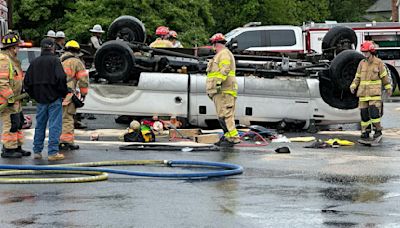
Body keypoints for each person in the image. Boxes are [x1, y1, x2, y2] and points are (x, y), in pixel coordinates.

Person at [24, 38, 68, 161]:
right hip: (54, 99)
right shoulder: (55, 61)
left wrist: (35, 95)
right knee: (55, 125)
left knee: (40, 125)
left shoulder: (35, 62)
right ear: (53, 48)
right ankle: (53, 152)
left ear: (42, 48)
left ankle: (37, 151)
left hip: (40, 99)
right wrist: (62, 93)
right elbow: (61, 78)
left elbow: (27, 82)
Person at [350, 40, 392, 142]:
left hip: (374, 94)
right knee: (364, 115)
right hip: (363, 94)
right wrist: (353, 85)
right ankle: (366, 131)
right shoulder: (362, 63)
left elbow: (384, 77)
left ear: (371, 51)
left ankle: (378, 130)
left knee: (374, 114)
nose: (365, 54)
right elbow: (358, 77)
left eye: (366, 52)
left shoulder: (378, 63)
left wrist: (388, 88)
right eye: (363, 52)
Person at [0, 32, 31, 158]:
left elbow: (16, 79)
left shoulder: (12, 60)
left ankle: (17, 146)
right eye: (18, 46)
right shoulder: (4, 60)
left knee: (18, 122)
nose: (19, 49)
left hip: (15, 99)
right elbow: (2, 82)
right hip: (7, 100)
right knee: (10, 123)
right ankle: (8, 149)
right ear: (12, 48)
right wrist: (9, 96)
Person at [206, 33, 240, 147]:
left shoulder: (224, 54)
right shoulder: (221, 54)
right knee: (222, 115)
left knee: (226, 115)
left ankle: (233, 138)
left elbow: (225, 69)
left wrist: (217, 83)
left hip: (224, 90)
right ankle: (228, 136)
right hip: (221, 91)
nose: (213, 48)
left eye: (213, 45)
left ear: (216, 44)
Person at [59, 40, 89, 151]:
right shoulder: (77, 62)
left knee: (58, 118)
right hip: (68, 94)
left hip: (57, 94)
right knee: (67, 118)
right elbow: (83, 80)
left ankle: (58, 140)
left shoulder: (59, 60)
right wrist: (83, 93)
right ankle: (66, 142)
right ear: (77, 51)